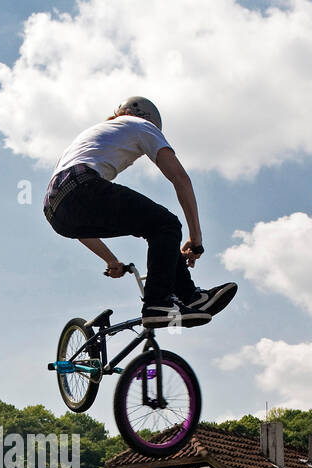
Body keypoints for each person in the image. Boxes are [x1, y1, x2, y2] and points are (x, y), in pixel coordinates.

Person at [43, 96, 236, 329]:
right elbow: (180, 178)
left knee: (155, 228)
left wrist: (111, 260)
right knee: (166, 224)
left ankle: (190, 296)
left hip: (56, 212)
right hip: (83, 185)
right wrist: (196, 239)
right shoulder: (142, 125)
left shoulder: (86, 141)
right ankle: (158, 304)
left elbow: (79, 227)